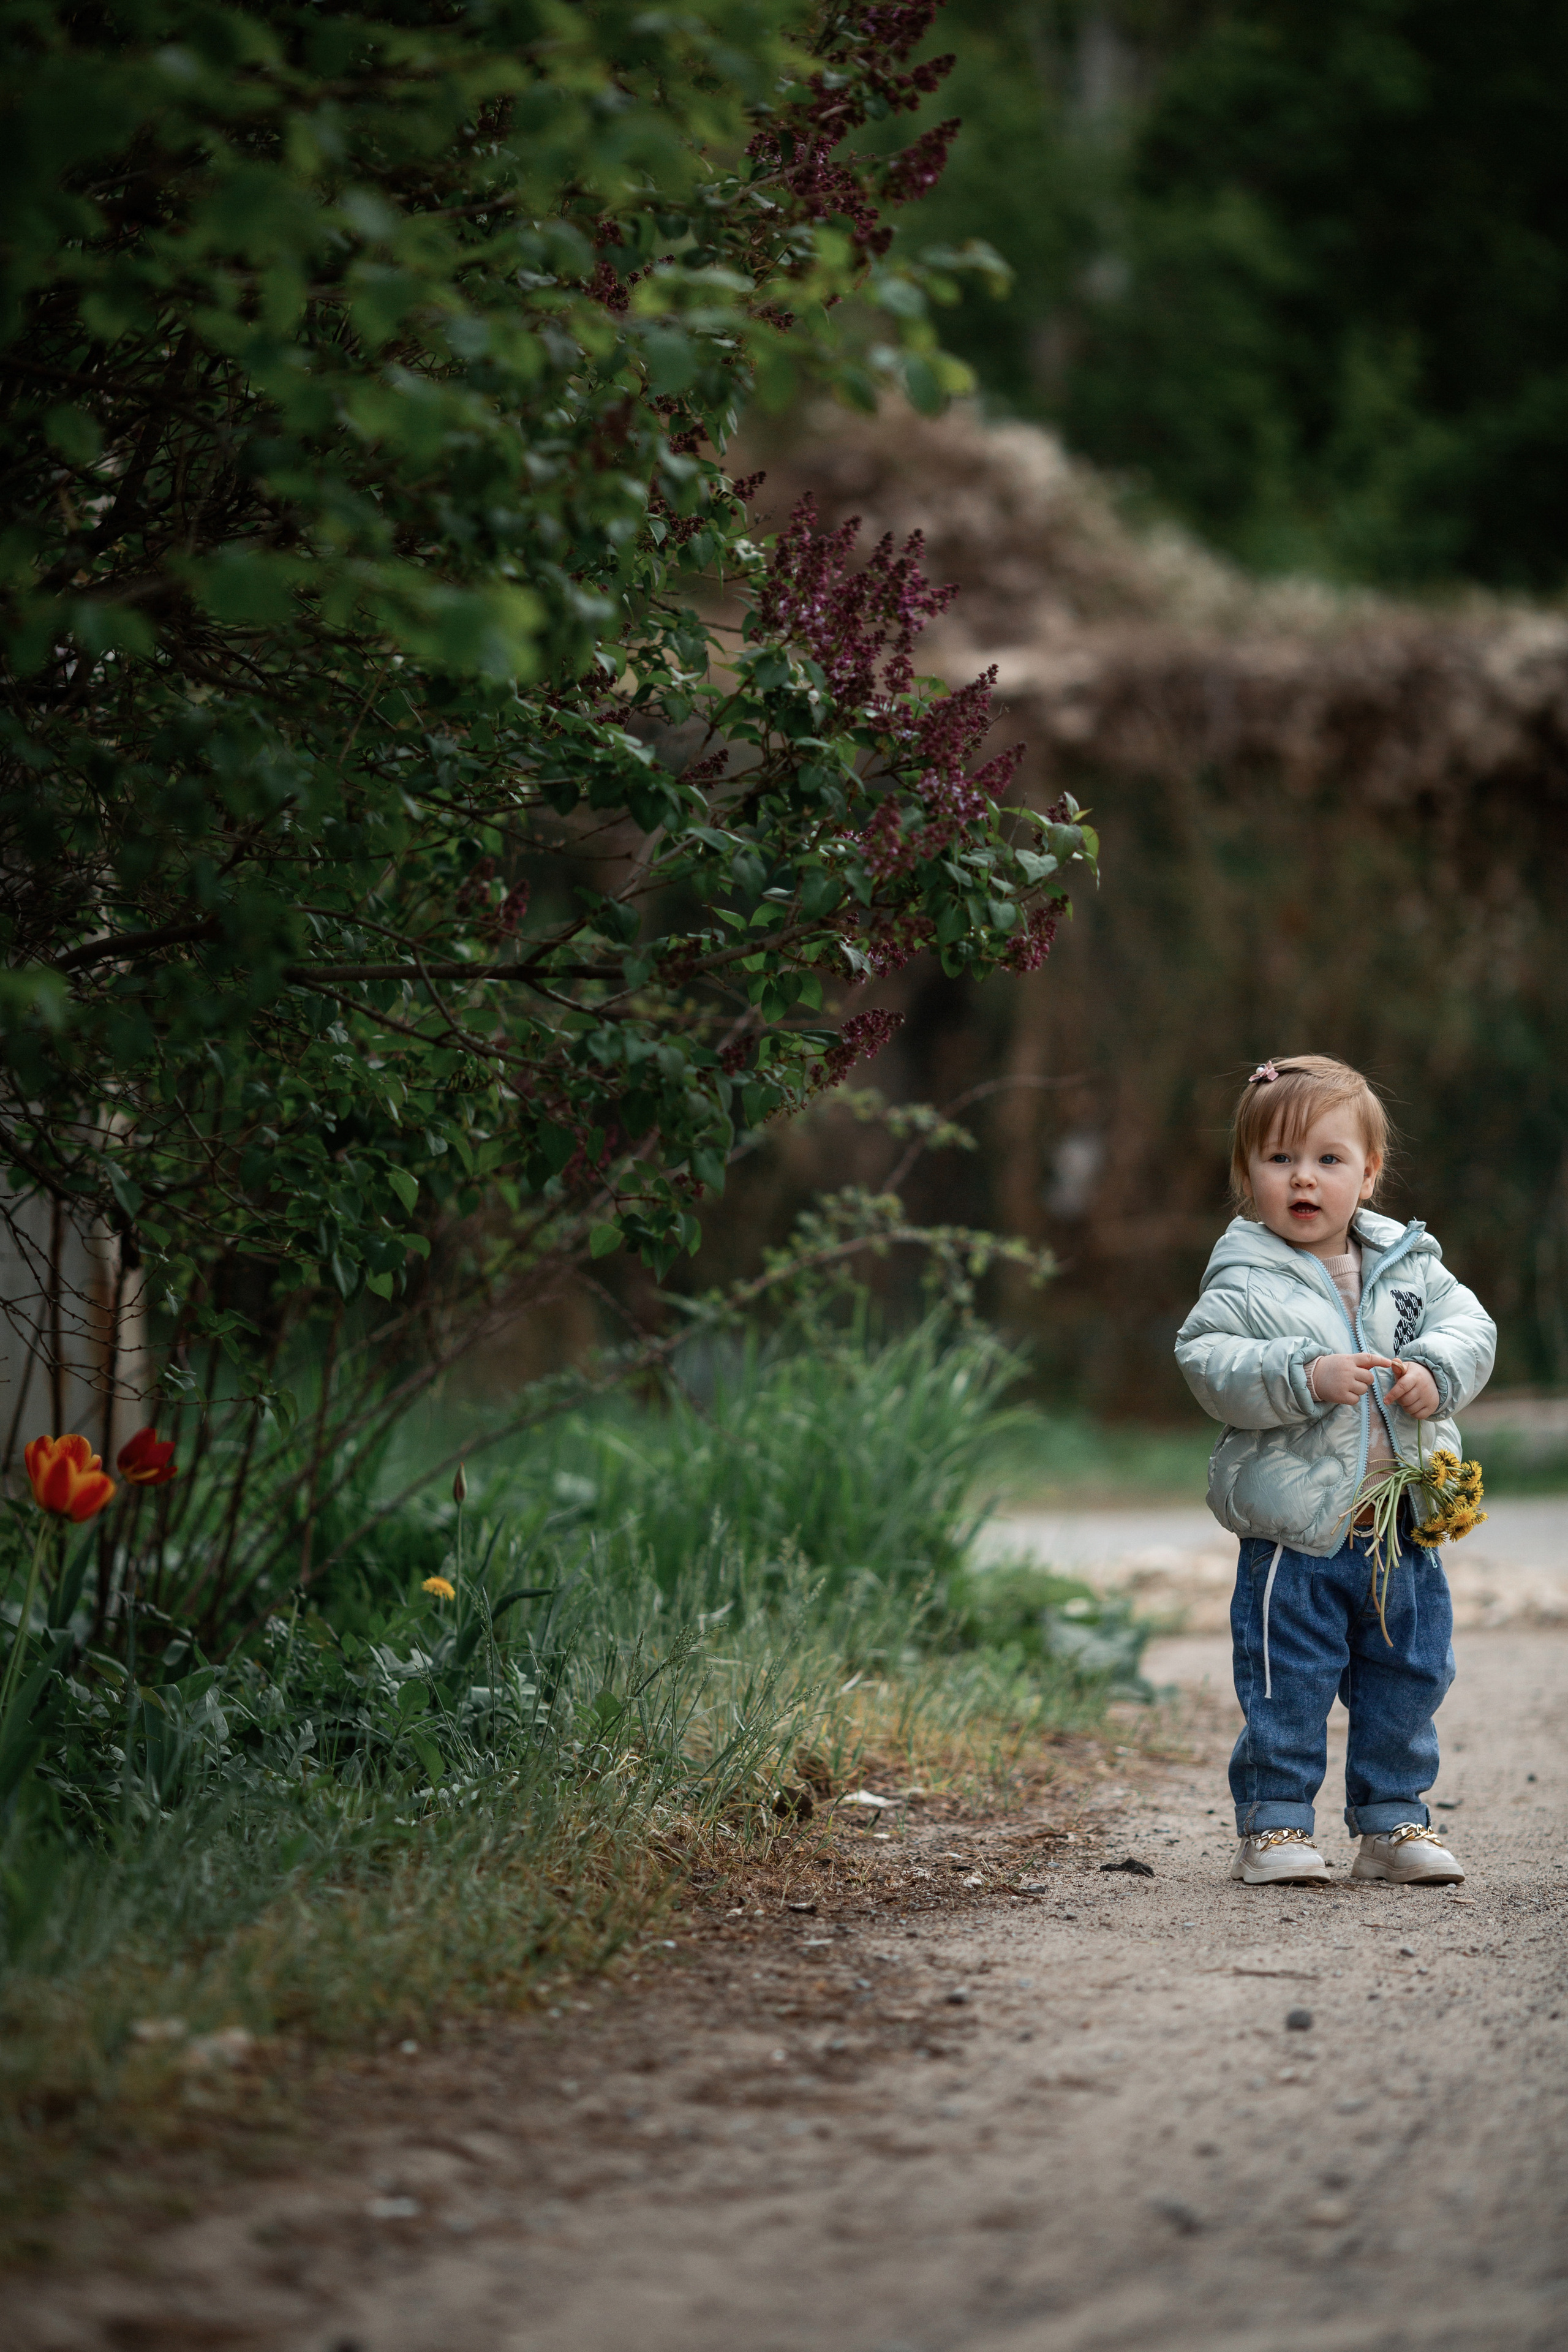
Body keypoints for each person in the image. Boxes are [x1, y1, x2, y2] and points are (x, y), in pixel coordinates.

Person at [1175, 1055, 1496, 1887]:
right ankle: (1275, 1827)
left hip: (1400, 1528)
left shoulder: (1411, 1262)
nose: (1303, 1179)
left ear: (1369, 1172)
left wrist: (1436, 1369)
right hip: (1299, 1539)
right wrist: (1301, 1374)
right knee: (1289, 1686)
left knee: (1410, 1678)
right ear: (1246, 1176)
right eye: (1279, 1160)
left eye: (1327, 1159)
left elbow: (1472, 1327)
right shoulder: (1245, 1272)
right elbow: (1208, 1361)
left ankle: (1393, 1824)